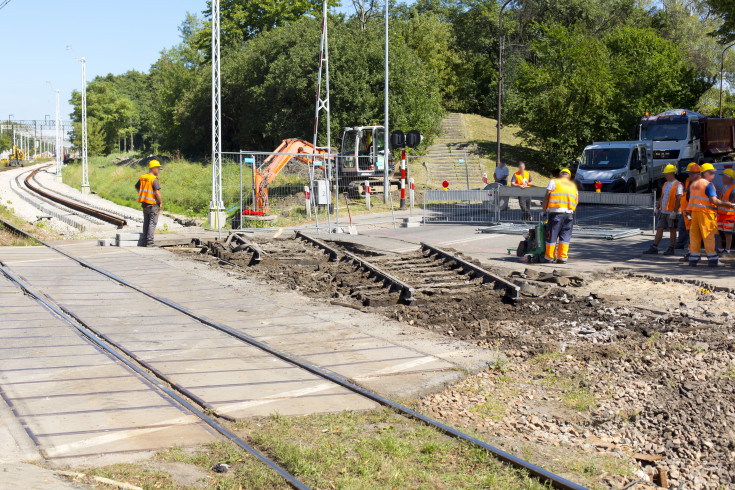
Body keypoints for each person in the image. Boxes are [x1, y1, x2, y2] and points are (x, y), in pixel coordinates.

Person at [685, 163, 735, 267]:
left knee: (695, 237)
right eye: (712, 173)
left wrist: (689, 212)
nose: (713, 175)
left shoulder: (694, 184)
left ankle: (693, 260)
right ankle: (713, 261)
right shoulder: (708, 185)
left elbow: (690, 200)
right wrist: (729, 204)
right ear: (706, 173)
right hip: (706, 215)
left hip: (694, 214)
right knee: (710, 237)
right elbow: (714, 200)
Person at [644, 164, 683, 255]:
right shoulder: (665, 184)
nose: (665, 175)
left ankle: (671, 248)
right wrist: (657, 208)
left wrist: (675, 211)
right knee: (659, 228)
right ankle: (654, 247)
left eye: (666, 174)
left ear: (671, 174)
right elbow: (662, 197)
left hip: (672, 212)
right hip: (664, 211)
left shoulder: (678, 185)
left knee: (672, 229)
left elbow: (679, 199)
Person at [542, 168, 578, 264]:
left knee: (552, 235)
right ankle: (562, 258)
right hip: (569, 215)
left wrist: (544, 210)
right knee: (565, 237)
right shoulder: (573, 186)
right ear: (569, 177)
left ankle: (549, 257)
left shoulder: (554, 182)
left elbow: (547, 196)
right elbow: (576, 200)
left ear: (559, 175)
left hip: (556, 213)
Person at [135, 160, 163, 247]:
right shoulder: (153, 179)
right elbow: (157, 193)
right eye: (158, 168)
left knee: (146, 222)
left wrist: (143, 194)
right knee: (152, 223)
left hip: (144, 204)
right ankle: (150, 242)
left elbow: (136, 187)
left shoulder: (143, 177)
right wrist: (160, 202)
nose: (158, 170)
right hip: (153, 205)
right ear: (153, 168)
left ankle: (144, 241)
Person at [675, 162, 700, 250]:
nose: (689, 175)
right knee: (683, 226)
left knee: (692, 229)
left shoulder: (699, 182)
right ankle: (680, 244)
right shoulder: (688, 180)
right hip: (685, 208)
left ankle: (691, 249)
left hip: (693, 209)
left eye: (690, 173)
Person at [717, 168, 735, 254]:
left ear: (729, 178)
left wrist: (730, 203)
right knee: (719, 232)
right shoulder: (724, 187)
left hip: (729, 214)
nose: (722, 178)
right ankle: (720, 248)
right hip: (721, 214)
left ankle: (727, 250)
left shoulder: (733, 188)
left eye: (724, 176)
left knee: (728, 233)